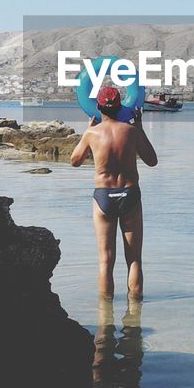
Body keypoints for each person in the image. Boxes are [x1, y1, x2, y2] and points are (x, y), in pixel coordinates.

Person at [70, 85, 158, 298]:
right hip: (129, 195)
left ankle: (105, 318)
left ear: (97, 107)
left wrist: (87, 133)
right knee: (134, 259)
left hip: (104, 198)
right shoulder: (132, 132)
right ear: (121, 107)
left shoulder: (92, 133)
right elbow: (152, 161)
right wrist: (139, 127)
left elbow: (75, 161)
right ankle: (135, 314)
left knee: (105, 261)